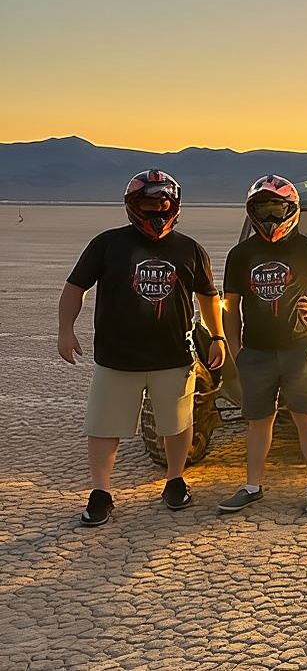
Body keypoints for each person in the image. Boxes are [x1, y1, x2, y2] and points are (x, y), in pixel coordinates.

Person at [58, 170, 226, 526]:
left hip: (174, 357)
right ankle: (101, 492)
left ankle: (175, 480)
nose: (156, 212)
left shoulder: (190, 248)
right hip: (117, 358)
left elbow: (209, 297)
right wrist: (65, 330)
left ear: (174, 206)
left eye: (162, 204)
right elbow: (75, 287)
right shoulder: (107, 244)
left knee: (178, 424)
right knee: (104, 427)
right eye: (148, 204)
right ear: (133, 206)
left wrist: (217, 336)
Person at [218, 175, 307, 515]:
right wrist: (236, 349)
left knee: (306, 417)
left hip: (299, 347)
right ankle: (252, 487)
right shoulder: (241, 254)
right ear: (252, 213)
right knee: (258, 421)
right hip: (256, 351)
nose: (269, 218)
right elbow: (230, 305)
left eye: (276, 209)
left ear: (291, 210)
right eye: (262, 210)